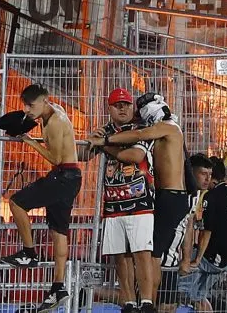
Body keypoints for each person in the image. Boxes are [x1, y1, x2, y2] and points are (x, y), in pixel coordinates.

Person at [89, 93, 188, 305]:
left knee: (151, 256)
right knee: (151, 255)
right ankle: (144, 302)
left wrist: (104, 141)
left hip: (170, 197)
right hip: (166, 196)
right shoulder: (162, 128)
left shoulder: (167, 126)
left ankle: (148, 303)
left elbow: (139, 135)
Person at [2, 84, 82, 313]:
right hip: (70, 177)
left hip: (63, 175)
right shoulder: (50, 114)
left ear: (45, 101)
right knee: (59, 231)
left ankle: (29, 253)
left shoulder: (55, 120)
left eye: (31, 105)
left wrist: (29, 141)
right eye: (25, 105)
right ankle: (58, 287)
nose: (27, 110)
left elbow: (55, 157)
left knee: (16, 202)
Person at [81, 88, 156, 313]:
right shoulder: (104, 130)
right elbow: (83, 157)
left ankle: (147, 302)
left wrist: (102, 143)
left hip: (140, 202)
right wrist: (89, 141)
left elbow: (135, 156)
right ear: (109, 107)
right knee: (119, 257)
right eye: (117, 104)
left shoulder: (141, 128)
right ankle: (129, 301)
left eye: (126, 103)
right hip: (113, 204)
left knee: (142, 253)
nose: (122, 108)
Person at [179, 157, 227, 313]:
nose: (206, 179)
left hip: (211, 258)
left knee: (174, 283)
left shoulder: (211, 197)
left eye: (208, 174)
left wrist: (197, 259)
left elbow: (207, 231)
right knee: (199, 296)